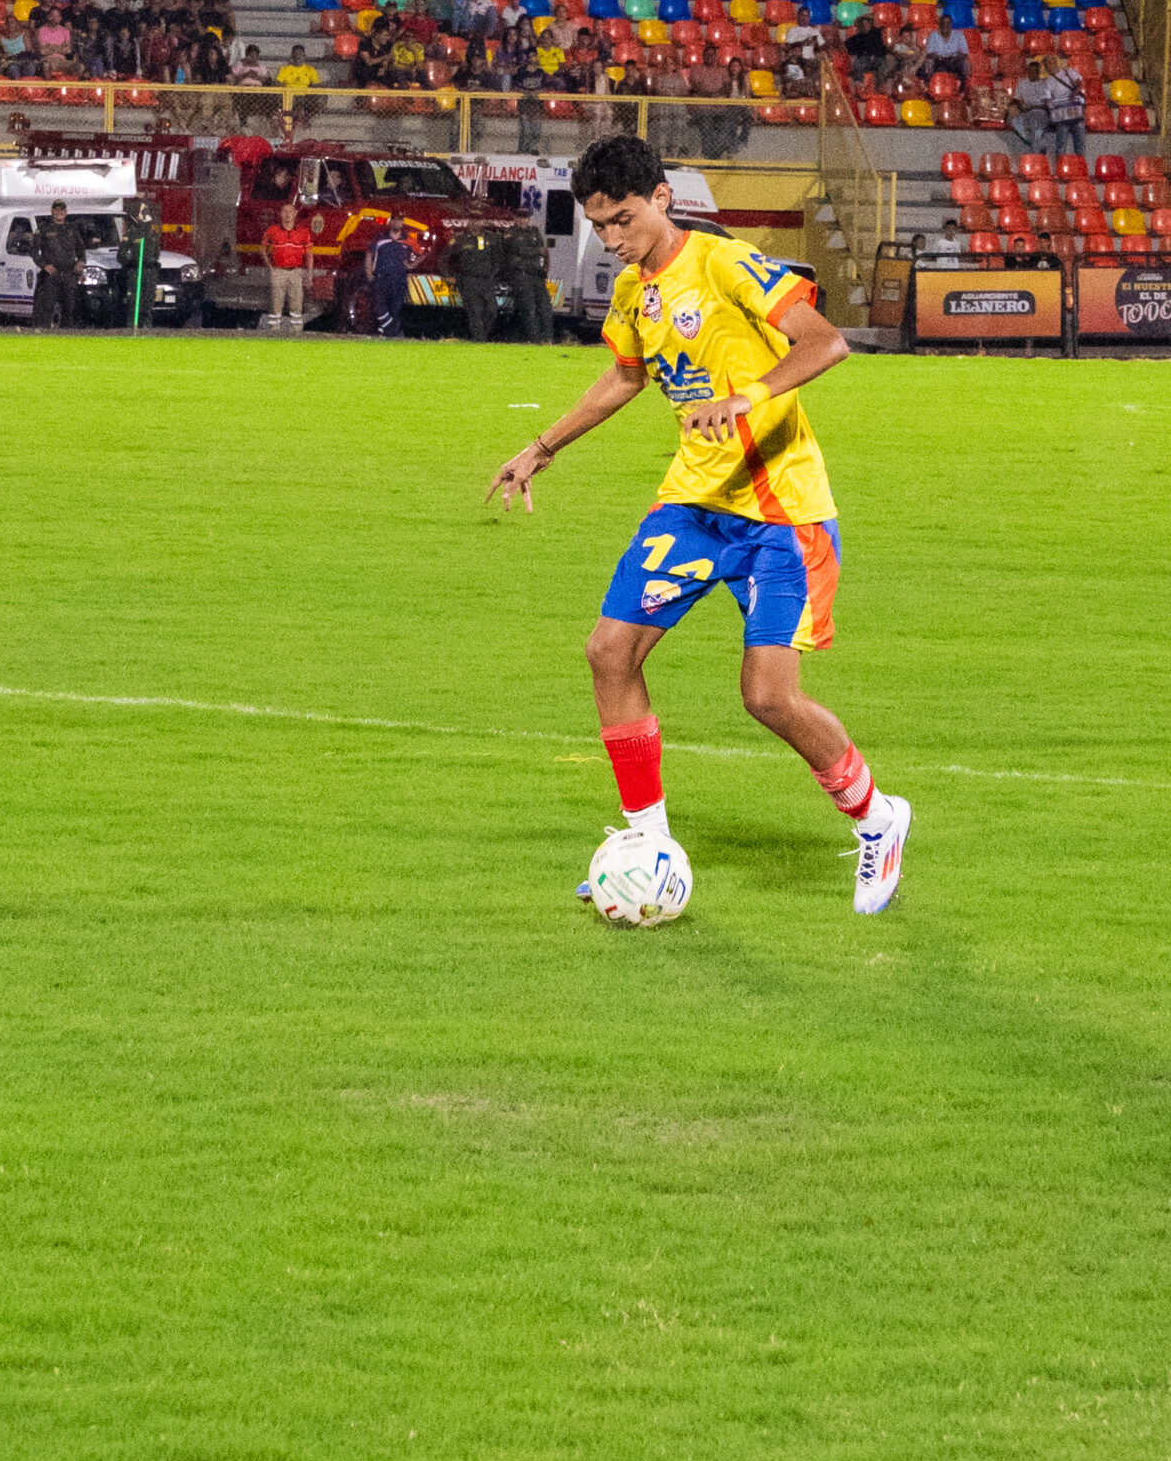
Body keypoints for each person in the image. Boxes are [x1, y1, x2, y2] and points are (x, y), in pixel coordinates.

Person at [485, 135, 910, 915]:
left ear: (661, 198)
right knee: (609, 652)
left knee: (768, 699)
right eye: (598, 226)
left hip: (780, 514)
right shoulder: (633, 291)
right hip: (693, 505)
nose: (611, 239)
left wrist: (747, 396)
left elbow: (826, 342)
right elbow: (624, 378)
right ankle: (646, 844)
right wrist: (541, 447)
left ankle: (878, 819)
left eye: (622, 219)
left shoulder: (725, 263)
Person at [29, 199, 85, 329]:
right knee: (46, 310)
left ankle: (66, 336)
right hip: (51, 276)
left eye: (62, 210)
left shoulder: (72, 228)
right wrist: (44, 265)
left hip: (69, 275)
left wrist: (80, 263)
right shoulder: (44, 228)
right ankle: (43, 336)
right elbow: (33, 251)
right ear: (52, 211)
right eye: (56, 210)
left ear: (66, 212)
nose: (59, 213)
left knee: (69, 310)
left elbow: (81, 250)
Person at [261, 199, 311, 333]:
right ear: (280, 214)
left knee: (296, 303)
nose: (288, 214)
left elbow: (309, 254)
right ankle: (274, 331)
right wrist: (271, 268)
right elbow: (263, 249)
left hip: (296, 272)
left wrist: (309, 272)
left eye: (290, 212)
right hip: (278, 271)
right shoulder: (273, 230)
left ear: (295, 214)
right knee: (276, 302)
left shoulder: (303, 232)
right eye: (285, 211)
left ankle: (296, 331)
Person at [451, 221, 503, 344]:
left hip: (486, 279)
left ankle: (482, 335)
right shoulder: (460, 239)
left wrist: (492, 273)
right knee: (475, 311)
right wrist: (451, 276)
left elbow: (498, 258)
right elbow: (445, 258)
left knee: (492, 310)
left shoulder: (492, 238)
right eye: (473, 220)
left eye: (478, 220)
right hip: (469, 279)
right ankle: (479, 340)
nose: (476, 224)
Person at [116, 194, 161, 330]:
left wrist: (150, 261)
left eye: (148, 213)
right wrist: (132, 261)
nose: (146, 216)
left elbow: (156, 254)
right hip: (135, 271)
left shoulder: (153, 236)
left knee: (148, 299)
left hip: (149, 272)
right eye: (143, 213)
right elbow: (121, 256)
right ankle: (132, 327)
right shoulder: (131, 235)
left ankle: (146, 326)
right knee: (134, 301)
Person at [366, 214, 411, 336]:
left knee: (394, 309)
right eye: (394, 220)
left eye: (399, 221)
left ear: (403, 222)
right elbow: (369, 254)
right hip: (382, 277)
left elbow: (416, 255)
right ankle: (393, 331)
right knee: (379, 307)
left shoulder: (408, 239)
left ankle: (383, 333)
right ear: (390, 222)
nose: (396, 223)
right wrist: (369, 271)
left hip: (399, 279)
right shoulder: (380, 237)